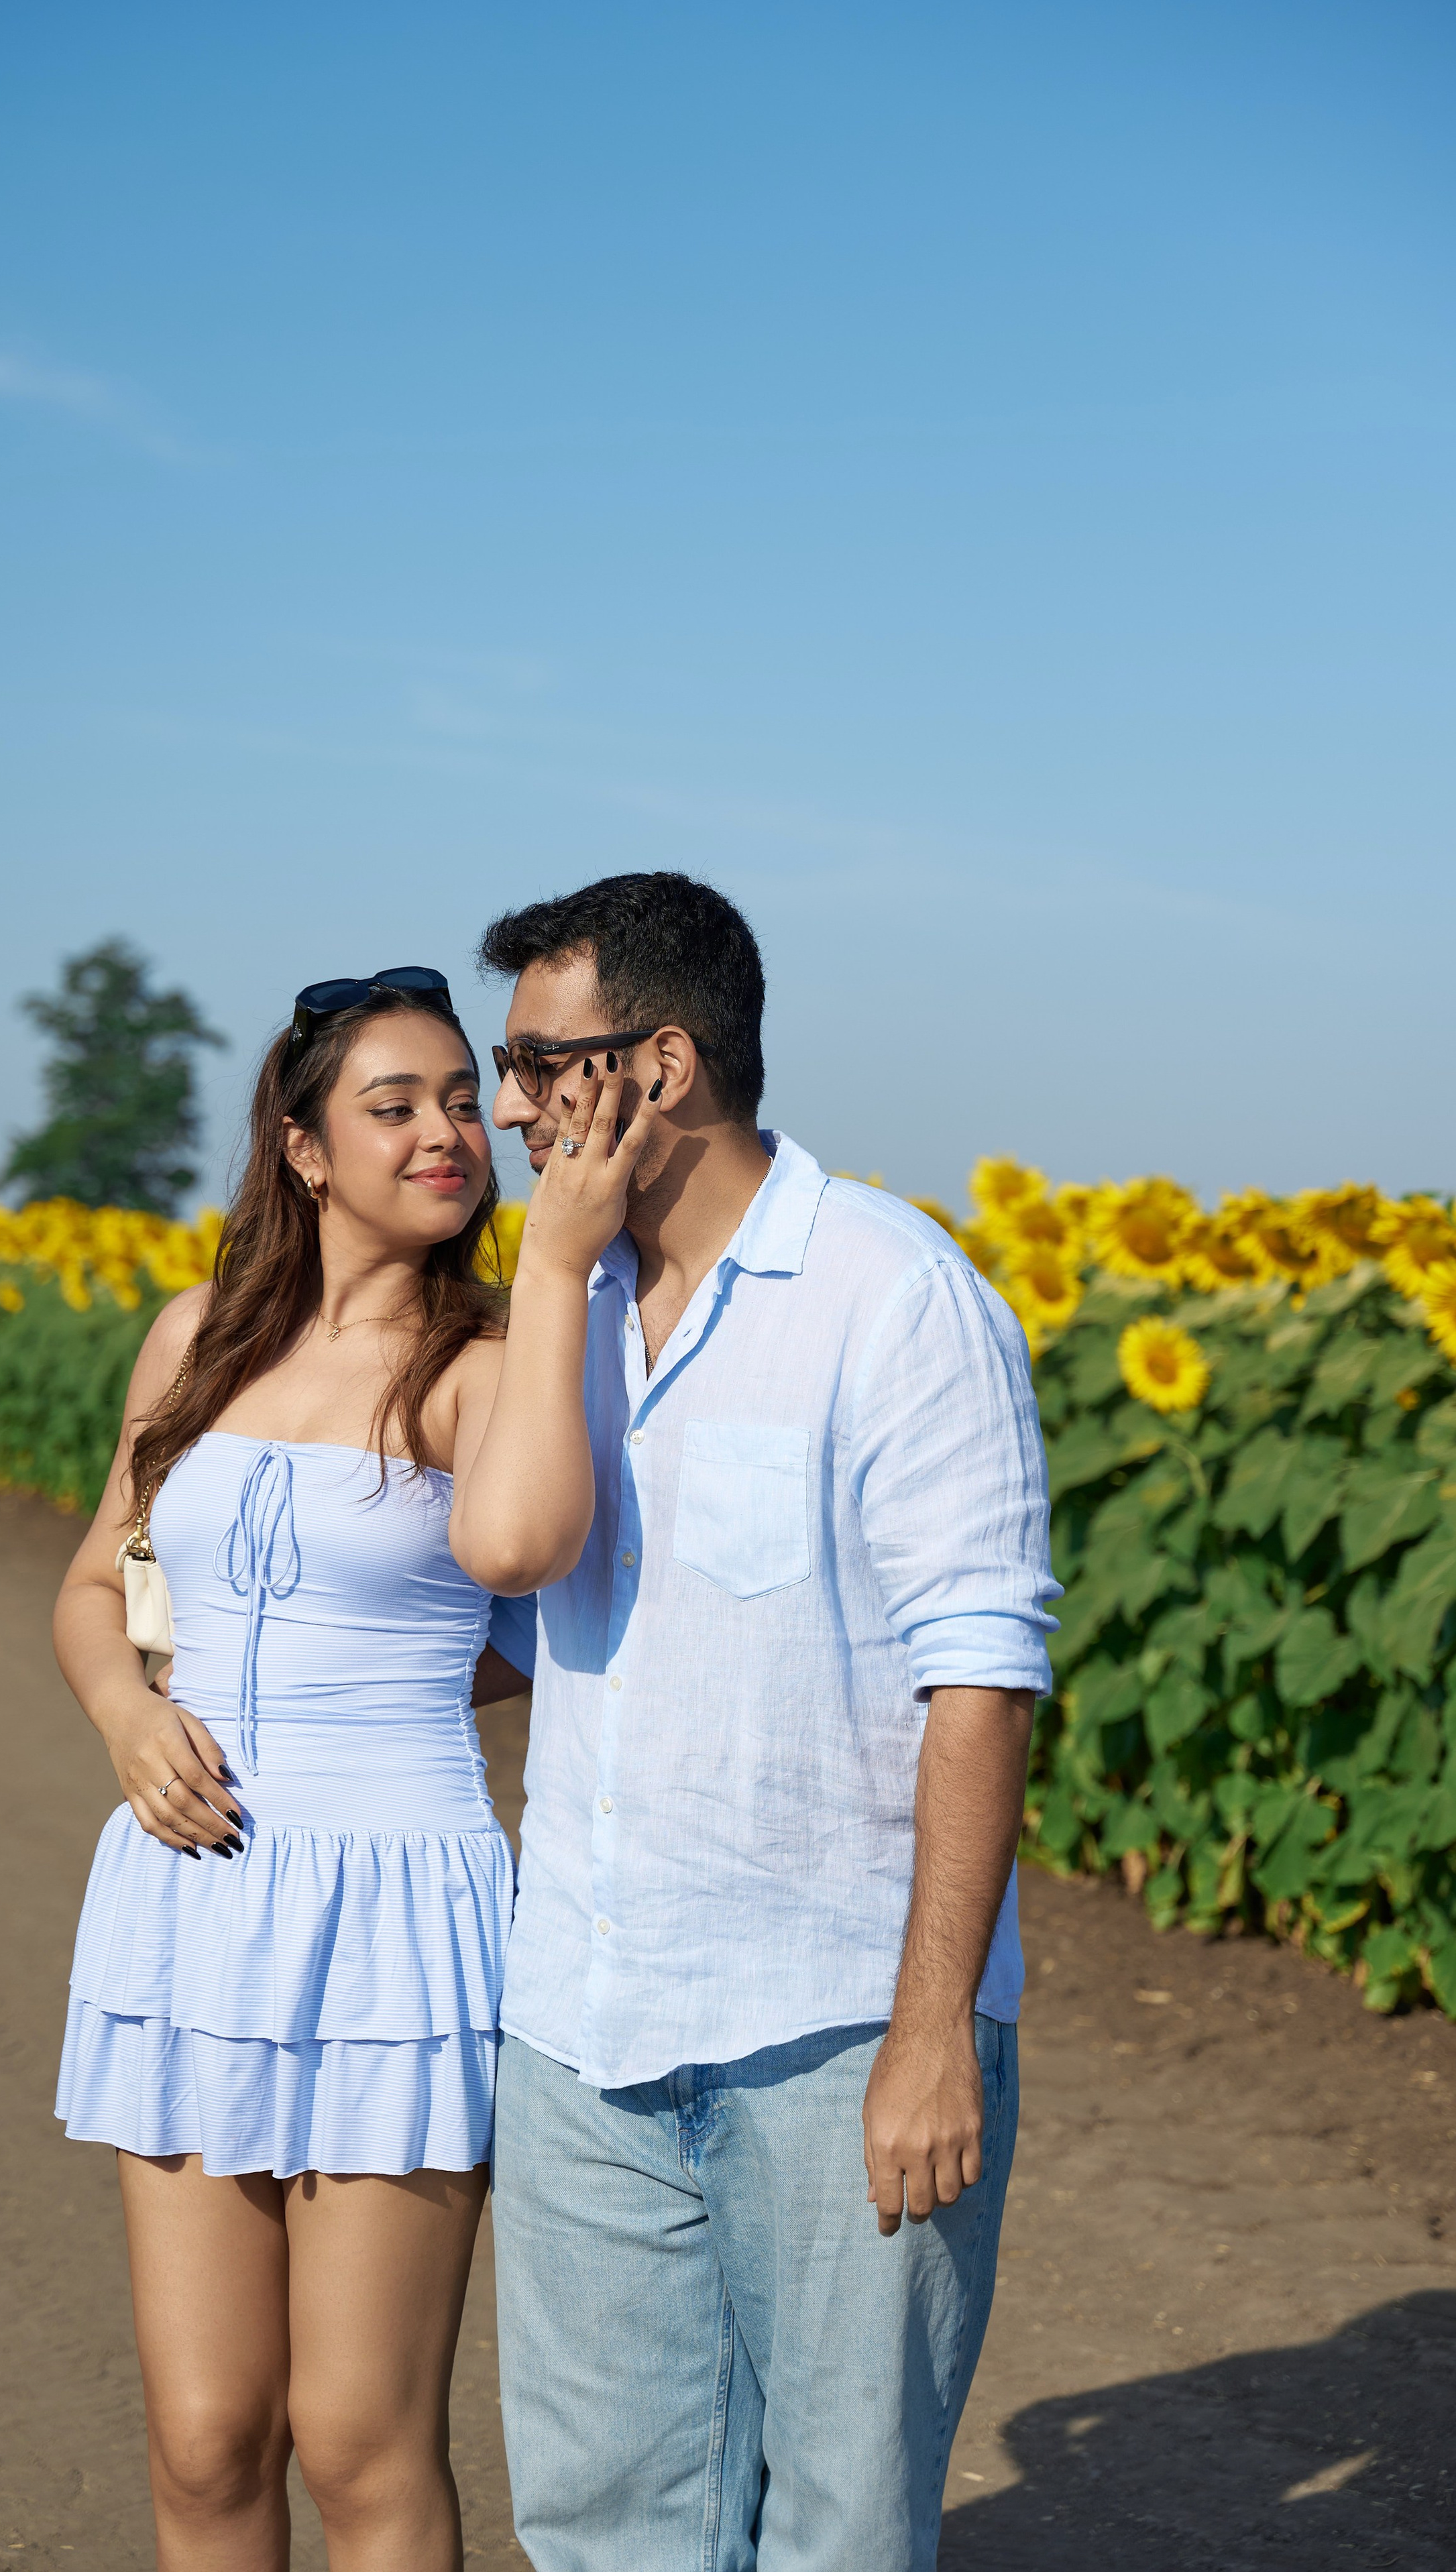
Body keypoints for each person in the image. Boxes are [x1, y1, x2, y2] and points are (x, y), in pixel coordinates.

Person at [477, 873, 1062, 2572]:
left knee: (838, 2529)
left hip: (829, 2030)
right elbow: (522, 1623)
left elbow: (980, 1678)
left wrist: (932, 2029)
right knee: (601, 2529)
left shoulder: (891, 1294)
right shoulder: (564, 1305)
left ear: (657, 1067)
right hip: (581, 2024)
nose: (504, 1106)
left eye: (536, 1063)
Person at [50, 964, 649, 2572]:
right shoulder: (194, 1339)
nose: (447, 1130)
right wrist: (128, 1716)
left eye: (460, 1099)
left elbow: (542, 1579)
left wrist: (563, 1267)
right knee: (202, 2437)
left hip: (393, 1911)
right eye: (394, 1106)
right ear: (304, 1149)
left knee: (358, 2438)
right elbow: (100, 1582)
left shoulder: (486, 1363)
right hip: (187, 1896)